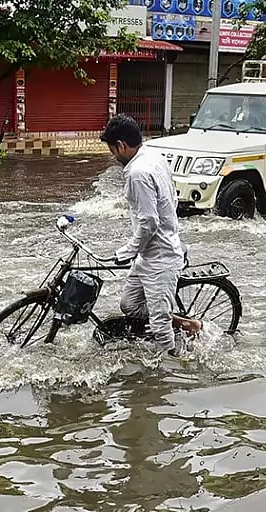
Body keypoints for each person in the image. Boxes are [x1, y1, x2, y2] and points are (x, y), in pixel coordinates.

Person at [100, 114, 201, 357]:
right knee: (129, 305)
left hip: (161, 258)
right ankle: (185, 323)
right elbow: (171, 199)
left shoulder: (137, 173)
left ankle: (170, 371)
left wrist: (127, 251)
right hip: (149, 254)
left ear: (121, 146)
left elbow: (149, 222)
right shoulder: (154, 156)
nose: (114, 156)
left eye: (113, 150)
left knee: (159, 326)